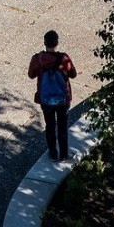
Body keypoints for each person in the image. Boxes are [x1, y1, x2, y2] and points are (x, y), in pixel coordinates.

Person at [28, 30, 78, 163]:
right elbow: (73, 74)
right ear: (57, 43)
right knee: (62, 127)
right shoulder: (64, 59)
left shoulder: (37, 59)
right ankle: (64, 154)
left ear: (44, 43)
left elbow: (31, 75)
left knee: (50, 126)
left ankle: (53, 153)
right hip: (63, 100)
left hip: (45, 100)